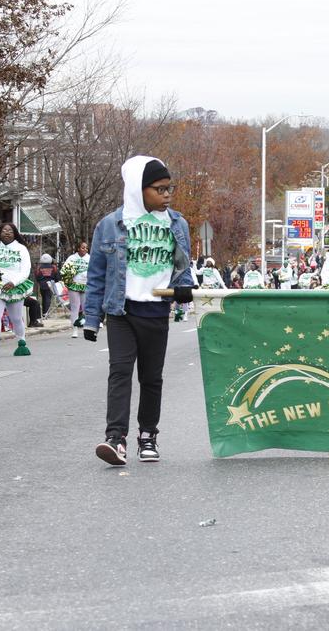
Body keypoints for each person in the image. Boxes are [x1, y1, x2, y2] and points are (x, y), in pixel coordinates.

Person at [84, 155, 195, 466]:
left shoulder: (177, 224)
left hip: (156, 310)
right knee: (119, 372)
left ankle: (148, 436)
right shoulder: (110, 225)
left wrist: (184, 287)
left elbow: (182, 263)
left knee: (151, 377)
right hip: (122, 311)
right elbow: (96, 274)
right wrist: (91, 319)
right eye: (159, 189)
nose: (167, 195)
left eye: (169, 188)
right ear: (137, 189)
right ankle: (115, 439)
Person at [0, 222, 33, 358]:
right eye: (4, 230)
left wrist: (14, 282)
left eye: (10, 230)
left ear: (15, 233)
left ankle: (21, 340)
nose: (7, 232)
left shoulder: (21, 249)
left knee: (16, 318)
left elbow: (25, 270)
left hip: (15, 287)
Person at [62, 241, 91, 338]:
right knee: (75, 307)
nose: (85, 249)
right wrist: (71, 273)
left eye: (86, 248)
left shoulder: (89, 258)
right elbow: (64, 270)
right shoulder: (72, 258)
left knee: (85, 308)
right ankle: (74, 330)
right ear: (78, 248)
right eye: (83, 247)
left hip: (85, 285)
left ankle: (86, 328)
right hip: (74, 285)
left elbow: (94, 270)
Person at [34, 253, 59, 318]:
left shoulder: (39, 267)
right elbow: (57, 276)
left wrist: (39, 282)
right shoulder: (54, 267)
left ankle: (44, 312)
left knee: (44, 298)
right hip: (50, 284)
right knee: (48, 298)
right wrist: (56, 282)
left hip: (42, 285)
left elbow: (37, 276)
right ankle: (46, 313)